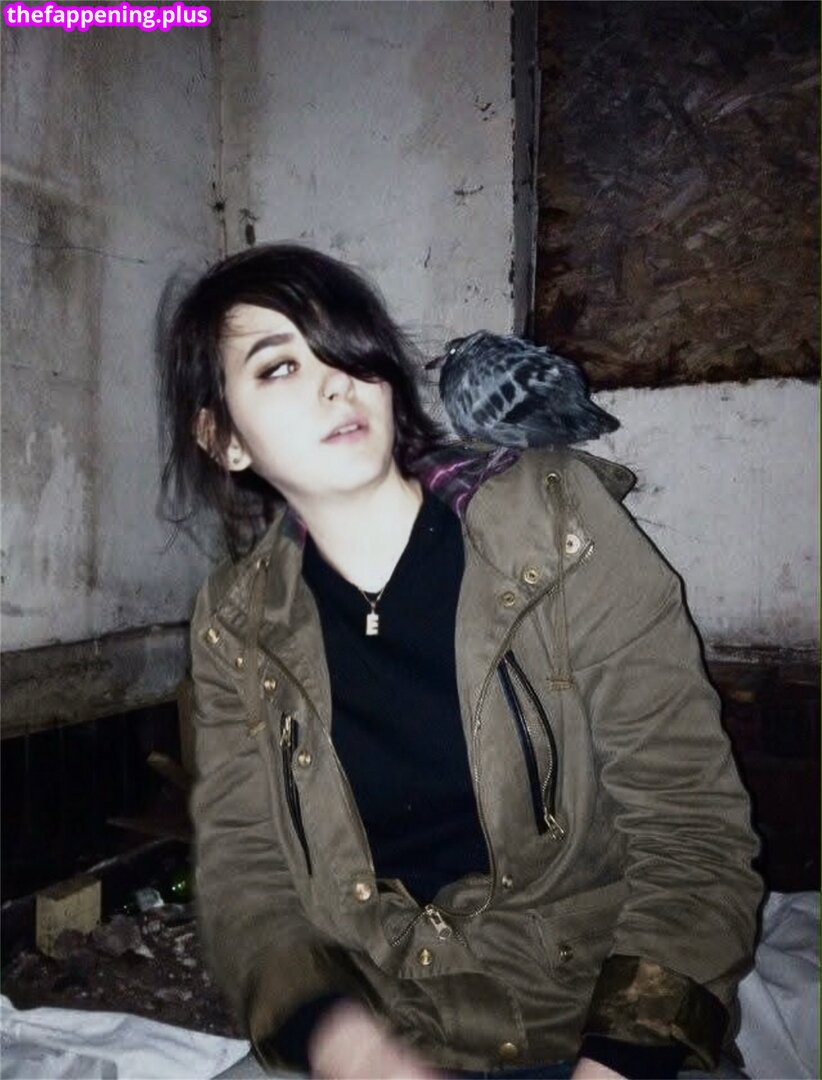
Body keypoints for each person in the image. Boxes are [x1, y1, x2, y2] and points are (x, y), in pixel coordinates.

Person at [157, 243, 763, 1080]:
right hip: (386, 1030)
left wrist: (621, 1058)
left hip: (590, 1026)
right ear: (222, 439)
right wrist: (348, 1047)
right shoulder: (234, 623)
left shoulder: (558, 527)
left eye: (346, 348)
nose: (337, 382)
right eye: (279, 366)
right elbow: (245, 875)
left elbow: (691, 832)